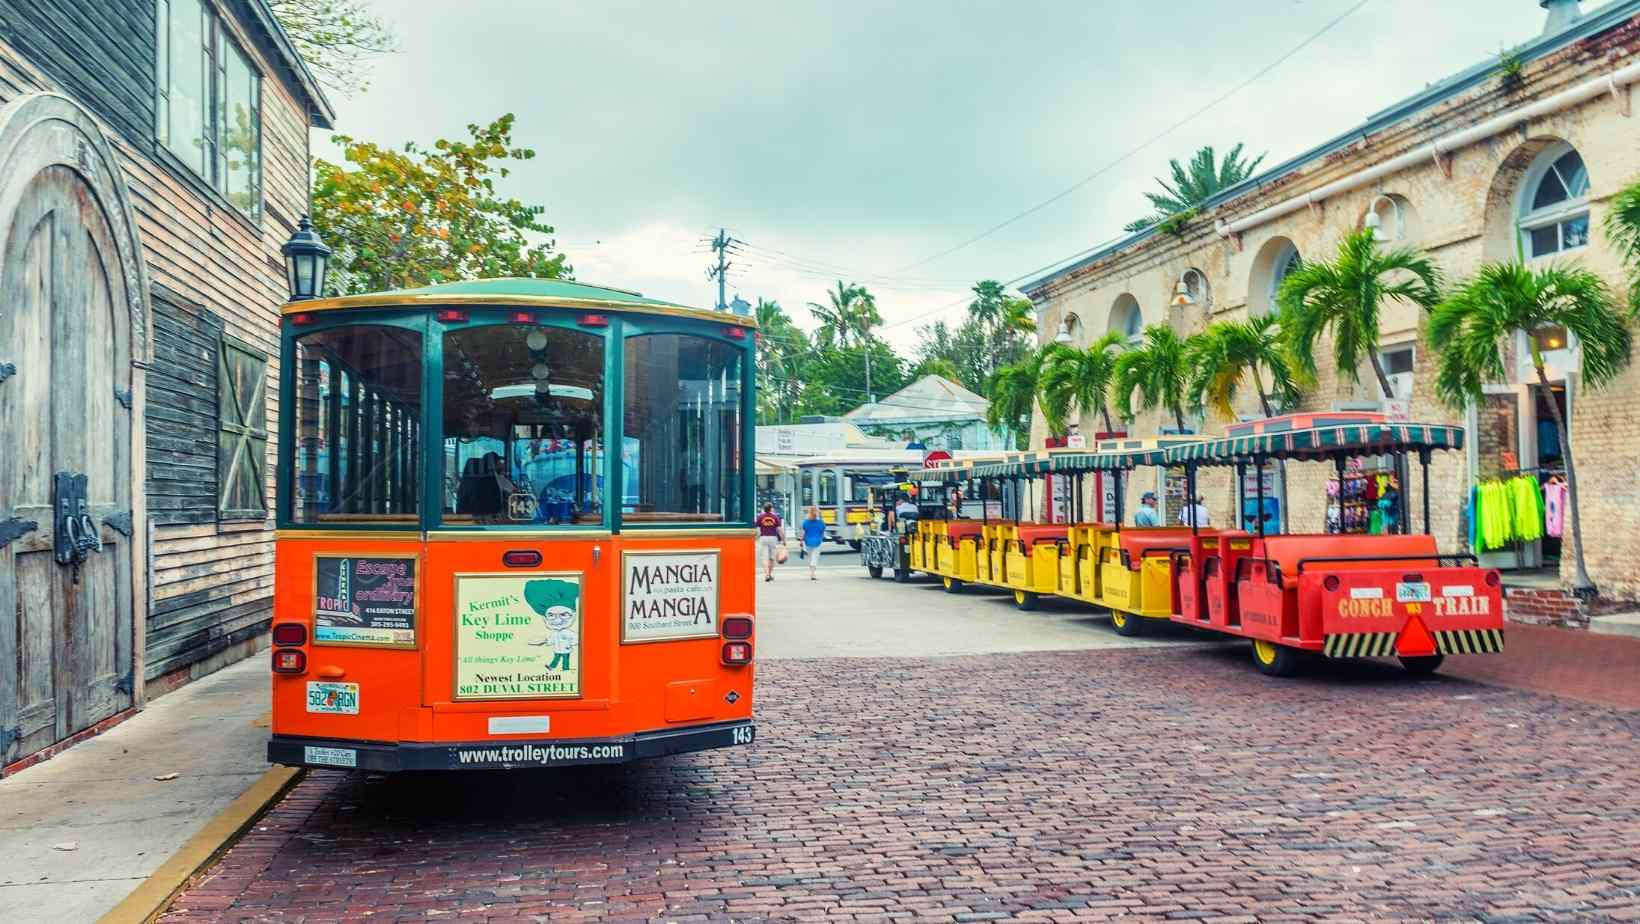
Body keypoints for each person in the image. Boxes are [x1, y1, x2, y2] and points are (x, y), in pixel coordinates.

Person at [756, 503, 785, 582]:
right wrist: (783, 539)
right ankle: (770, 574)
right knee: (772, 558)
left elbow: (757, 530)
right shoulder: (775, 517)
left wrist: (756, 538)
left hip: (763, 537)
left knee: (764, 557)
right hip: (773, 538)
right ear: (771, 508)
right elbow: (779, 529)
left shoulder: (760, 517)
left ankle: (766, 574)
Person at [801, 506, 826, 580]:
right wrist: (820, 516)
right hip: (817, 542)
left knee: (810, 557)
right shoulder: (820, 522)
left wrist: (801, 541)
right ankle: (813, 574)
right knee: (815, 558)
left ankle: (812, 572)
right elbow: (822, 531)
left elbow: (803, 532)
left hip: (808, 542)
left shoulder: (805, 522)